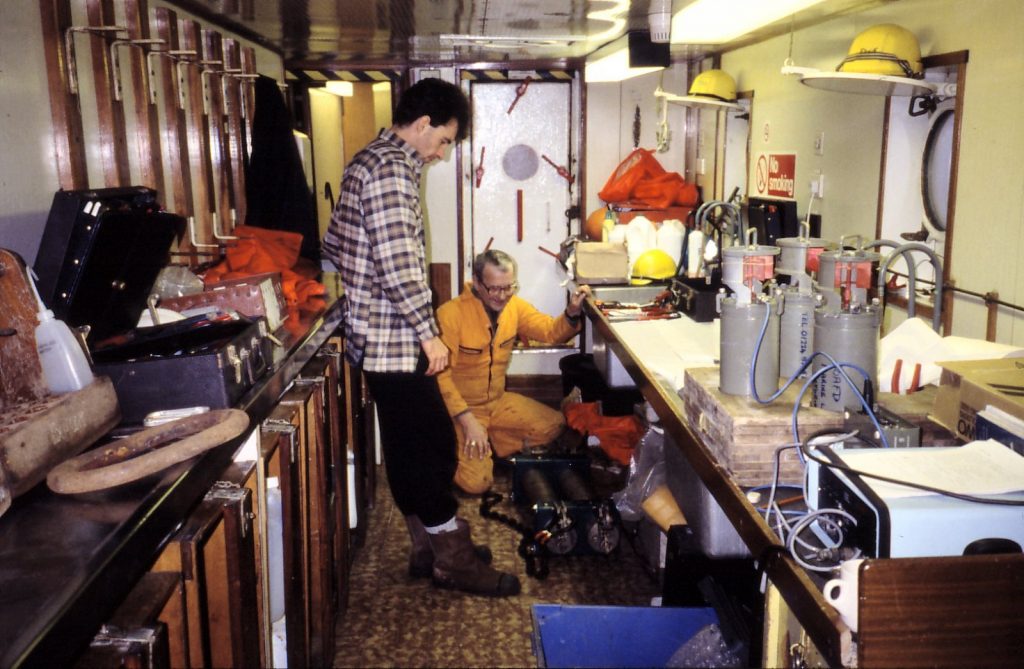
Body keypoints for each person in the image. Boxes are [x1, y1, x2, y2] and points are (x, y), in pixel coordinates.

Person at [322, 78, 519, 597]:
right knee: (430, 448)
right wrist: (429, 333)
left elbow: (335, 245)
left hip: (379, 335)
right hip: (395, 338)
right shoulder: (390, 170)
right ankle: (451, 561)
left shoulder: (367, 161)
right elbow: (399, 266)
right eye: (445, 141)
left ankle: (428, 546)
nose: (441, 153)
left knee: (412, 448)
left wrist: (361, 292)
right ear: (424, 124)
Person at [436, 249, 590, 493]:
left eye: (509, 287)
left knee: (554, 424)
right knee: (476, 484)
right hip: (461, 410)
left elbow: (549, 331)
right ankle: (453, 443)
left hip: (497, 403)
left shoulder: (514, 307)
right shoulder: (449, 315)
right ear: (476, 282)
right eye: (495, 288)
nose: (502, 295)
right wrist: (467, 421)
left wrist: (571, 313)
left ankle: (487, 444)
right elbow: (440, 378)